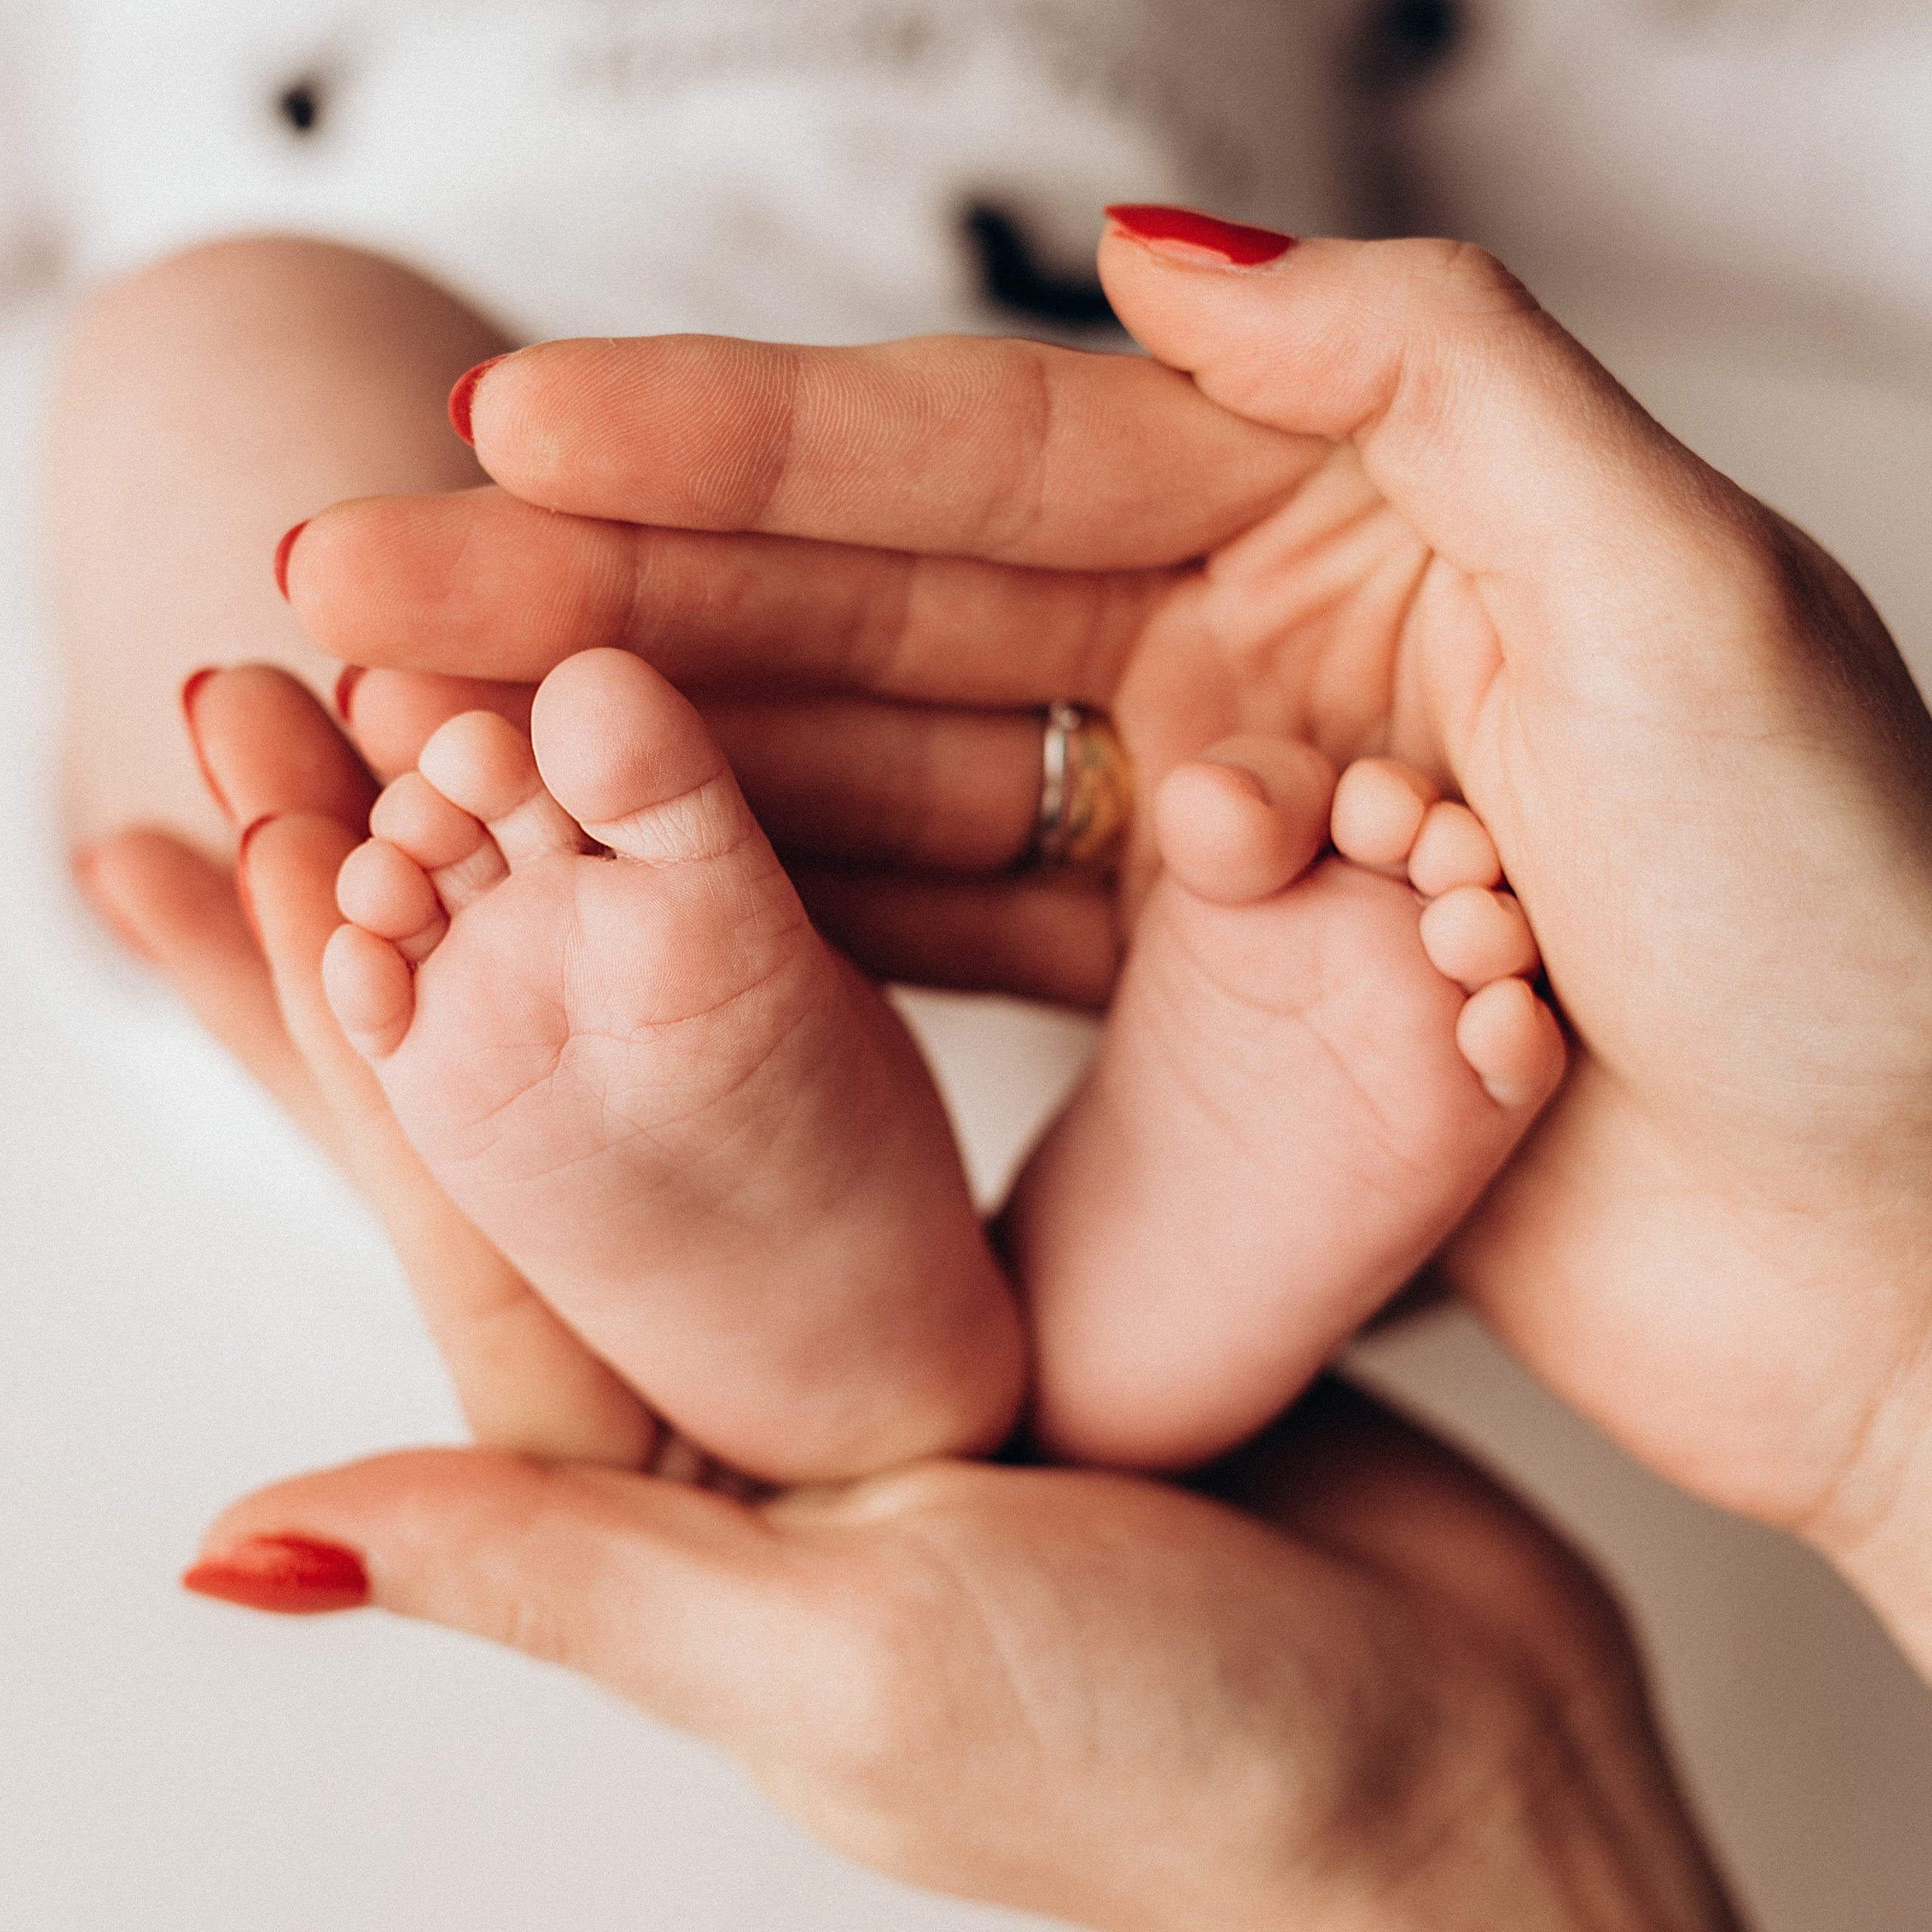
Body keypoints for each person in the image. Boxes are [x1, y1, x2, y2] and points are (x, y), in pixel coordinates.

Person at [54, 227, 1565, 1488]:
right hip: (1090, 462)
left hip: (1141, 534)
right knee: (227, 356)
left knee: (227, 393)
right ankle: (1055, 1316)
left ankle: (952, 1325)